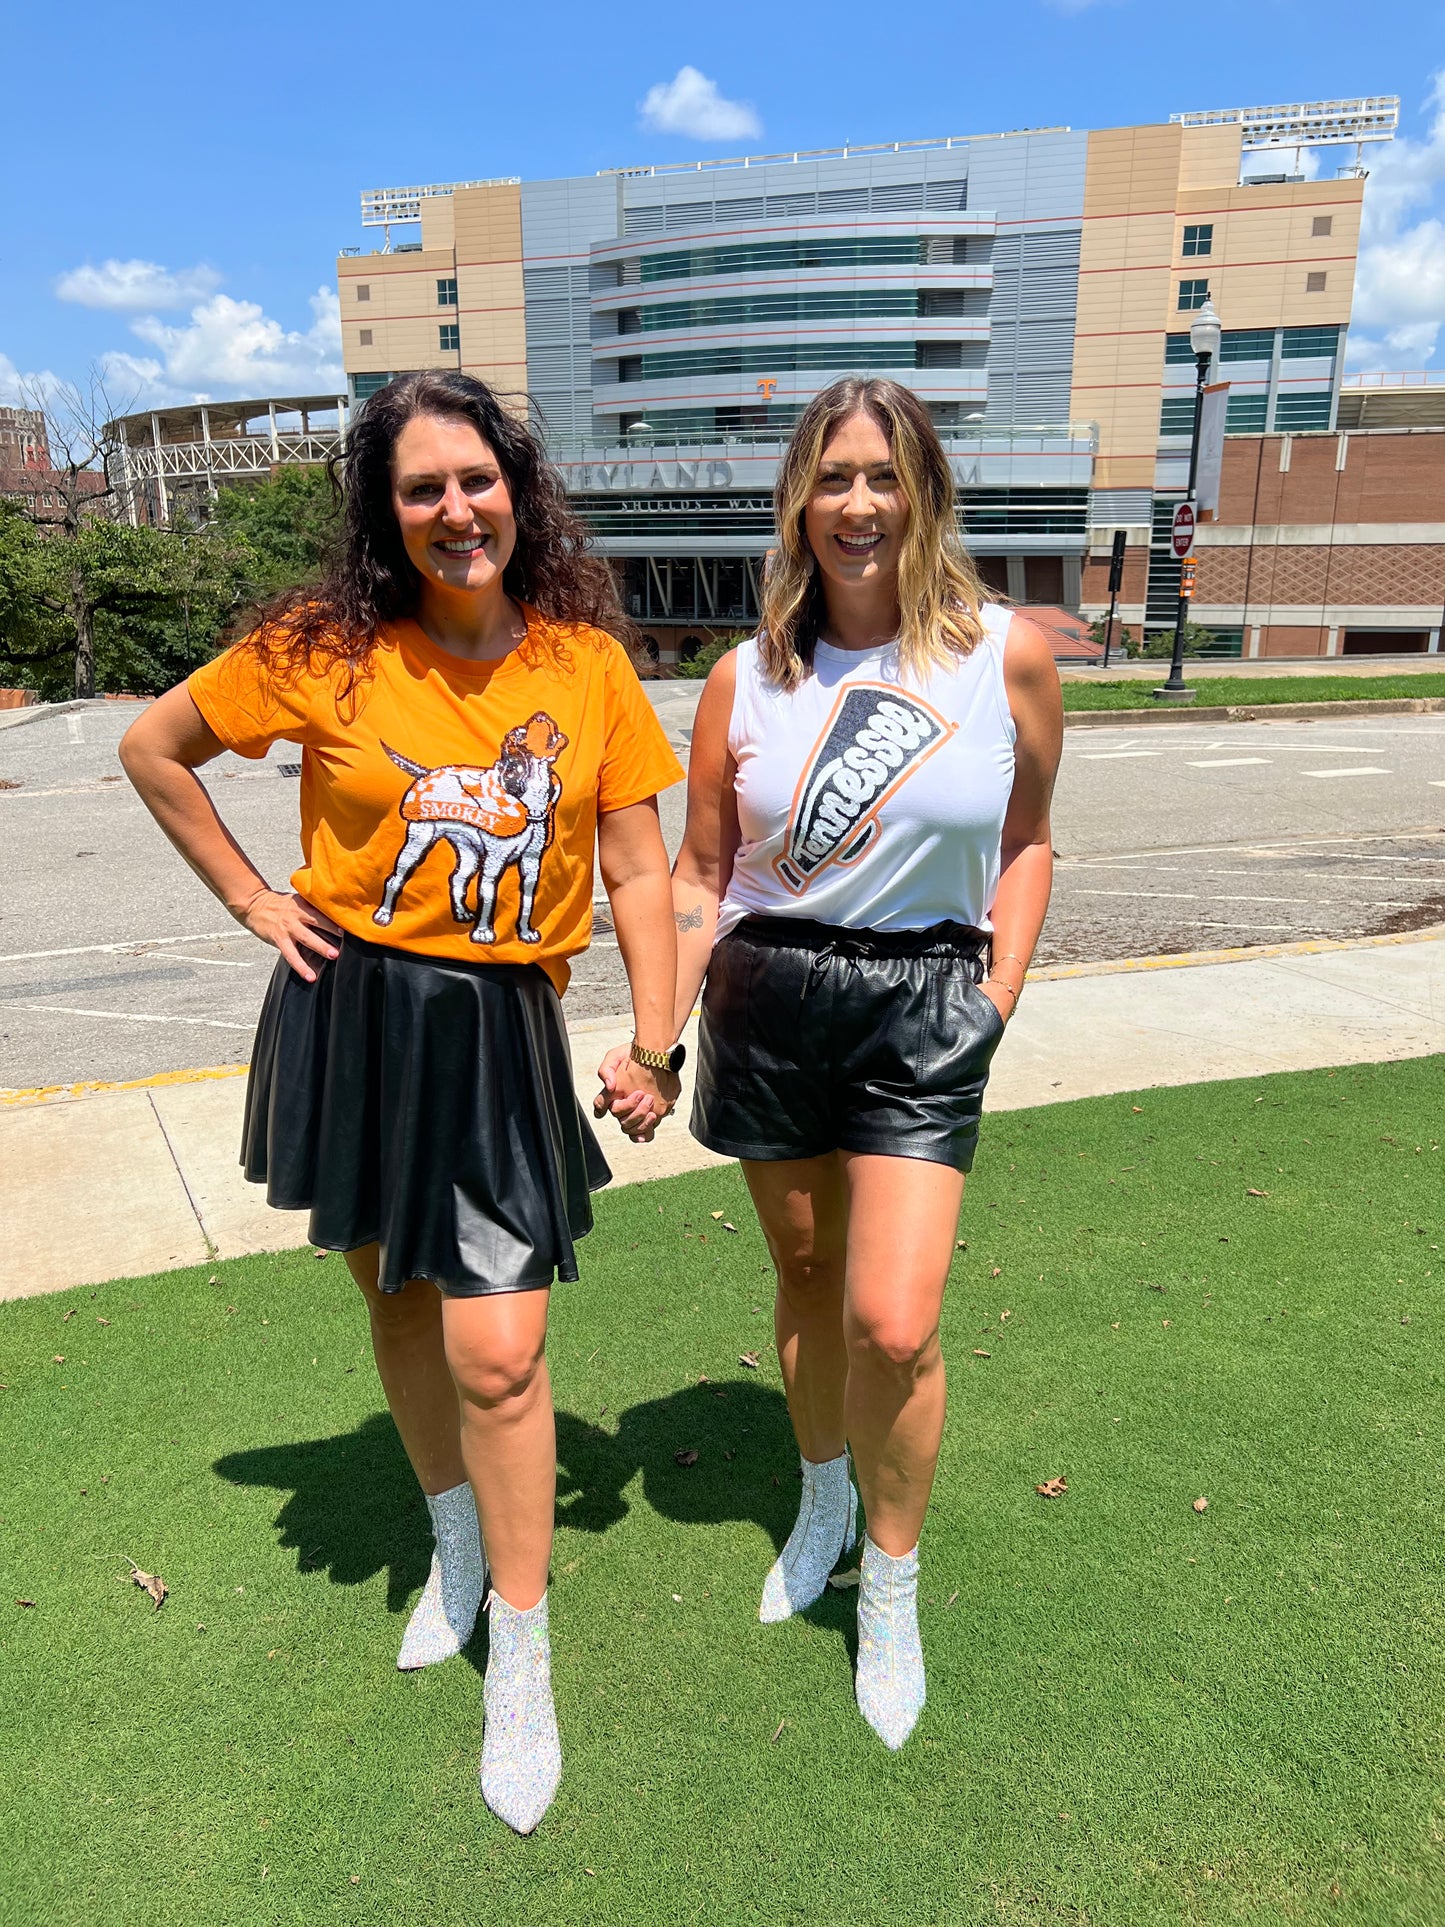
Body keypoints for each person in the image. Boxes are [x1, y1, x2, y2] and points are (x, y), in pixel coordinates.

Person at [120, 371, 684, 1833]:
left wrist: (659, 1035)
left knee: (498, 1351)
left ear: (518, 487)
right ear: (387, 510)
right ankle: (449, 1539)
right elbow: (154, 749)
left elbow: (634, 869)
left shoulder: (584, 669)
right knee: (385, 1287)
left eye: (475, 480)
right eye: (421, 488)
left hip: (498, 1025)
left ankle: (522, 1645)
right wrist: (252, 896)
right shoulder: (323, 646)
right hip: (350, 1005)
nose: (454, 510)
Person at [665, 376, 1062, 1749]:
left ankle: (887, 1584)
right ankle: (821, 1490)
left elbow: (1026, 842)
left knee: (892, 1319)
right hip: (768, 993)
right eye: (831, 476)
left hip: (923, 1006)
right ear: (797, 498)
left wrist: (994, 997)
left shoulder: (1001, 654)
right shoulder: (746, 674)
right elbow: (700, 871)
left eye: (881, 476)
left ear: (924, 492)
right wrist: (657, 1024)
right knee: (806, 1278)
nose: (855, 504)